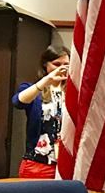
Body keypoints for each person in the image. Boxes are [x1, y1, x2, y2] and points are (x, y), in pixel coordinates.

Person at [12, 45, 70, 179]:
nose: (62, 69)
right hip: (38, 164)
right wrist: (47, 81)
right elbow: (17, 102)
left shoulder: (74, 93)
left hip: (67, 165)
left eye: (66, 65)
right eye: (56, 64)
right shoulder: (33, 89)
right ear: (45, 65)